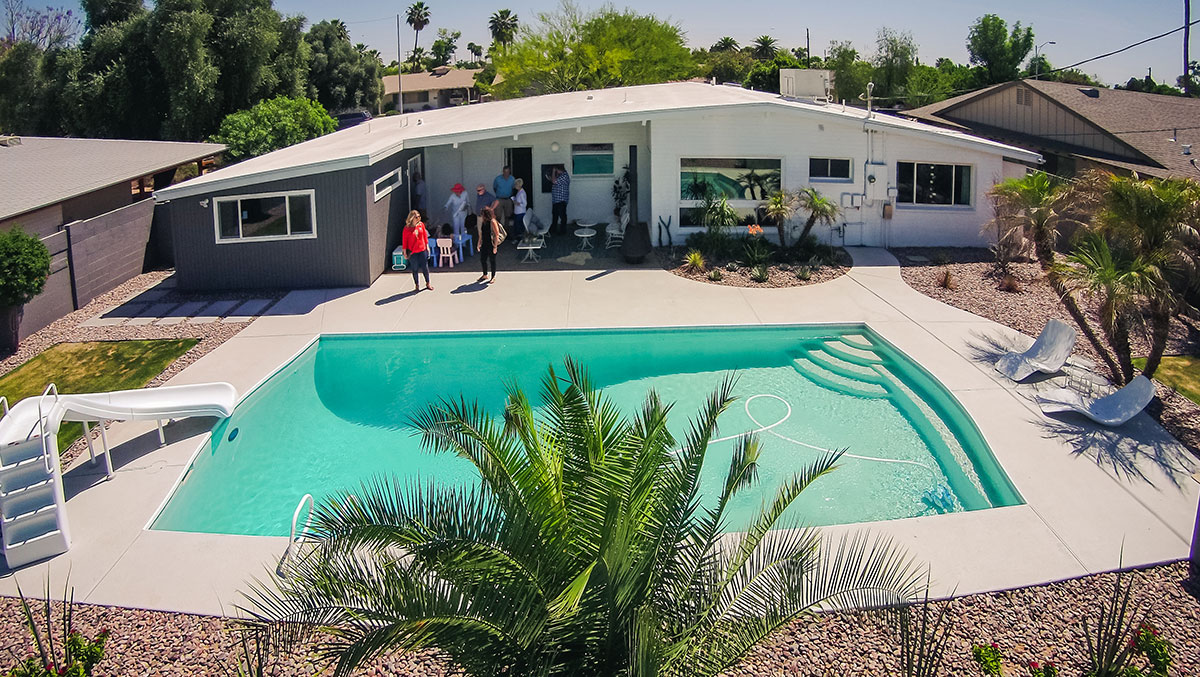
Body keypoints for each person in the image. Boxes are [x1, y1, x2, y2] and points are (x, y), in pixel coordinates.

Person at [402, 210, 432, 292]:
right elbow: (404, 241)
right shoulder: (407, 229)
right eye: (416, 217)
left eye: (419, 216)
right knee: (414, 269)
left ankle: (428, 283)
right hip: (413, 252)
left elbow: (425, 236)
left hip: (422, 249)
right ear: (412, 218)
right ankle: (417, 284)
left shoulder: (421, 225)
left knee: (425, 267)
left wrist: (427, 246)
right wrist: (405, 252)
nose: (418, 218)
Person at [476, 205, 502, 284]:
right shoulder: (484, 222)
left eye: (482, 214)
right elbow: (481, 234)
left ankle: (493, 276)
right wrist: (479, 243)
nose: (481, 216)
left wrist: (495, 246)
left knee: (492, 260)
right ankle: (485, 274)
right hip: (484, 243)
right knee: (483, 259)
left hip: (491, 244)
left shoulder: (492, 221)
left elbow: (497, 234)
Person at [548, 166, 570, 234]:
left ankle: (563, 231)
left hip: (561, 200)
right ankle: (553, 229)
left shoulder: (564, 176)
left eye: (557, 171)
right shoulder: (561, 176)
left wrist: (554, 171)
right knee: (555, 216)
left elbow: (554, 181)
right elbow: (553, 180)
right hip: (556, 200)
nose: (556, 173)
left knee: (562, 216)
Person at [511, 177, 528, 242]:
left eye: (516, 185)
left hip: (520, 213)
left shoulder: (522, 193)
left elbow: (524, 204)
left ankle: (520, 239)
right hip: (517, 212)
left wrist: (518, 203)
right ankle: (518, 239)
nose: (515, 186)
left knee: (519, 227)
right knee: (516, 226)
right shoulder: (519, 192)